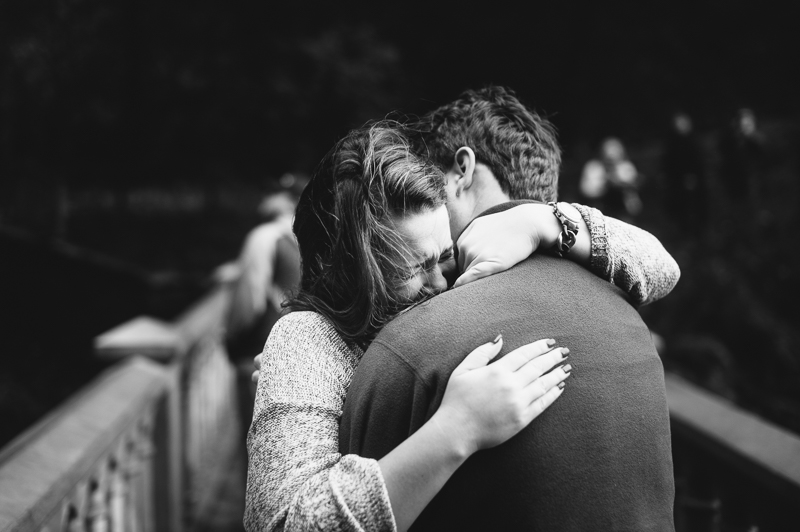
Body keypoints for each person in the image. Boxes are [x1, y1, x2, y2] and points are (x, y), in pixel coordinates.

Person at [246, 111, 679, 531]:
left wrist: (543, 221)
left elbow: (663, 270)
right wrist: (458, 429)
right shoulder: (307, 339)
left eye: (444, 256)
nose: (440, 283)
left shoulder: (453, 277)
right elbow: (284, 522)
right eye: (411, 270)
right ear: (347, 273)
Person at [580, 136, 642, 219]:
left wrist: (621, 184)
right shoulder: (594, 167)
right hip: (598, 213)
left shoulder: (626, 167)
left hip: (622, 214)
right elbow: (586, 191)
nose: (612, 154)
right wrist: (606, 183)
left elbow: (634, 200)